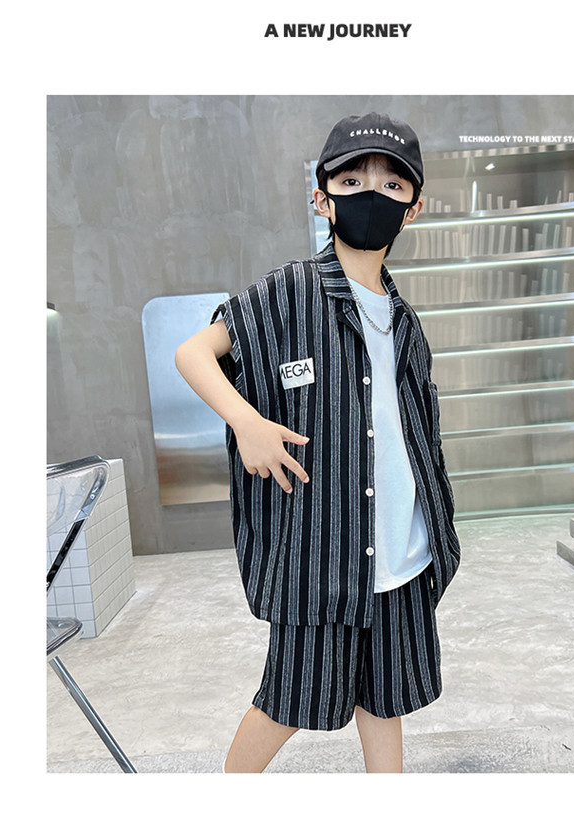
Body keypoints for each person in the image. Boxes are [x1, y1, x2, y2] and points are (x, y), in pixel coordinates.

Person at [175, 112, 460, 773]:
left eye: (392, 186)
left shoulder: (405, 321)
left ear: (413, 208)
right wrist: (246, 422)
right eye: (353, 180)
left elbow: (416, 436)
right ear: (321, 197)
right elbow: (194, 353)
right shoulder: (288, 293)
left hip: (402, 551)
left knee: (384, 698)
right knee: (288, 699)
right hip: (322, 557)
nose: (372, 195)